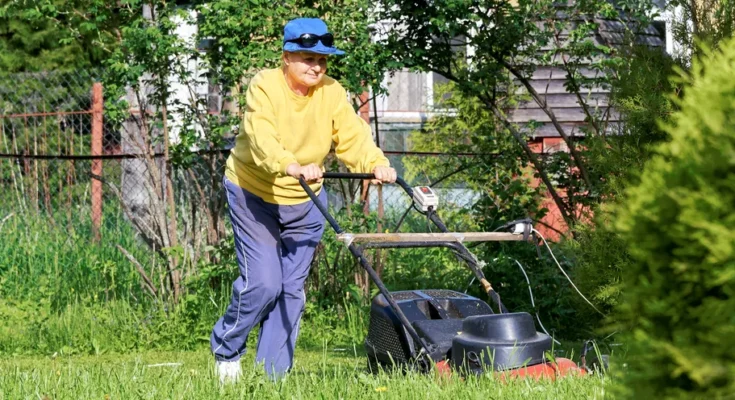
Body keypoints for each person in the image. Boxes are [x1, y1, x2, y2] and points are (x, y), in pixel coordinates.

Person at [210, 17, 396, 382]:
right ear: (287, 57)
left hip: (306, 200)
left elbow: (353, 138)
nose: (317, 66)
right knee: (264, 283)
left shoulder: (331, 92)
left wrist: (377, 164)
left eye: (322, 60)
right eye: (308, 58)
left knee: (291, 291)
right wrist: (287, 163)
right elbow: (259, 133)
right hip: (254, 192)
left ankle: (272, 377)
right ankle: (227, 349)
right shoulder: (264, 86)